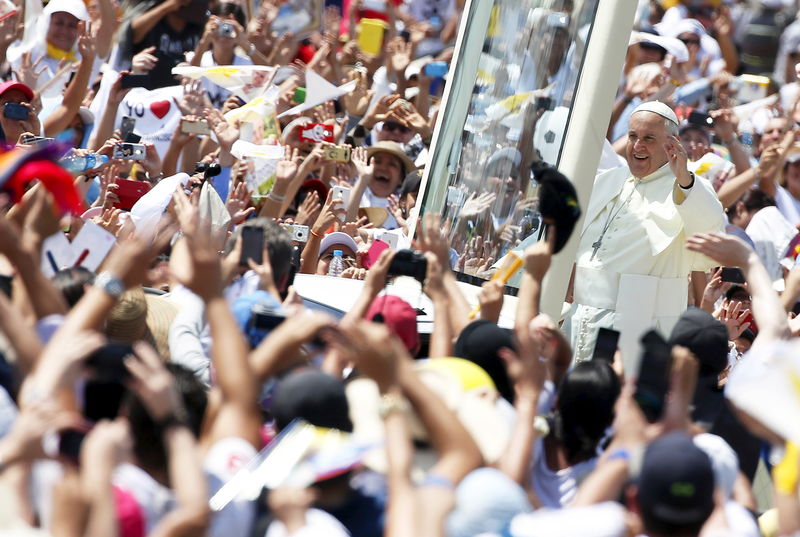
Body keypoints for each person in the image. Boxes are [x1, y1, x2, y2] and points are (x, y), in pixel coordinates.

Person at [564, 101, 725, 364]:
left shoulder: (689, 186)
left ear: (671, 144)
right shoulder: (609, 180)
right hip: (580, 317)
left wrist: (684, 179)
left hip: (638, 327)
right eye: (632, 136)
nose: (638, 146)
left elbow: (710, 232)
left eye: (649, 138)